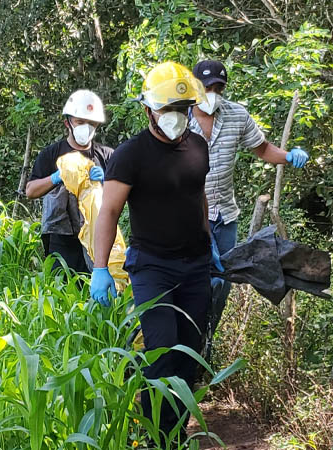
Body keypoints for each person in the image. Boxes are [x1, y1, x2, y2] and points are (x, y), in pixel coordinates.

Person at [89, 61, 222, 446]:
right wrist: (100, 268)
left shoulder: (198, 146)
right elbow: (108, 212)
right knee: (162, 352)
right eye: (167, 109)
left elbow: (198, 195)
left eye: (183, 109)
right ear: (148, 110)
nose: (176, 116)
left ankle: (175, 435)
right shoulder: (131, 155)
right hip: (153, 267)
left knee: (189, 356)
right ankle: (154, 437)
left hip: (196, 266)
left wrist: (209, 241)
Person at [190, 59, 309, 338]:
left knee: (222, 283)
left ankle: (207, 342)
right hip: (189, 215)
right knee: (195, 280)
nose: (212, 94)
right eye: (207, 88)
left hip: (224, 215)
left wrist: (289, 156)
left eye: (218, 88)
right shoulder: (177, 119)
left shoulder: (236, 115)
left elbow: (262, 148)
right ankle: (187, 341)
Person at [26, 90, 112, 273]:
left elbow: (126, 192)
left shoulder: (106, 155)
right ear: (68, 123)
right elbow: (31, 191)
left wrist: (107, 181)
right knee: (62, 285)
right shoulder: (51, 154)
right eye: (80, 122)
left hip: (98, 236)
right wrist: (56, 177)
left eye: (91, 123)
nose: (86, 127)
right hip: (61, 238)